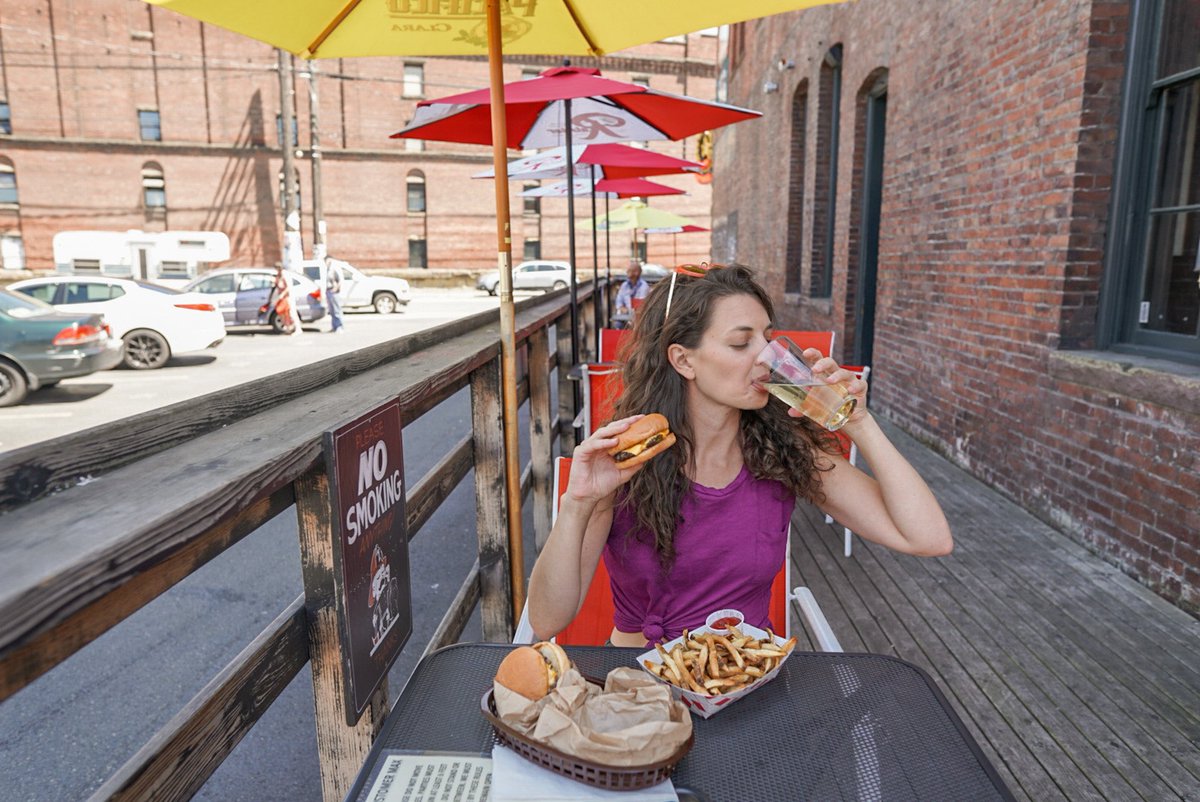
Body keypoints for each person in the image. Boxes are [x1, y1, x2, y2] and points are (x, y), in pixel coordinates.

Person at [527, 264, 952, 647]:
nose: (766, 359)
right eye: (740, 343)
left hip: (747, 679)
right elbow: (547, 620)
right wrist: (578, 504)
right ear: (683, 360)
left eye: (767, 339)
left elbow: (927, 538)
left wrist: (859, 423)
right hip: (640, 689)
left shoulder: (782, 451)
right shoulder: (627, 460)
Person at [613, 260, 649, 329]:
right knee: (618, 324)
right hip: (626, 316)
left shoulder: (644, 286)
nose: (627, 272)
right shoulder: (624, 285)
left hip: (639, 318)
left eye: (630, 270)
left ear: (637, 272)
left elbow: (641, 305)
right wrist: (622, 308)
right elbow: (619, 302)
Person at [326, 257, 345, 334]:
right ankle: (334, 326)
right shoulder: (328, 269)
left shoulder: (334, 269)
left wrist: (335, 289)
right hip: (329, 290)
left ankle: (340, 326)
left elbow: (339, 281)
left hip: (334, 291)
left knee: (337, 310)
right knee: (332, 311)